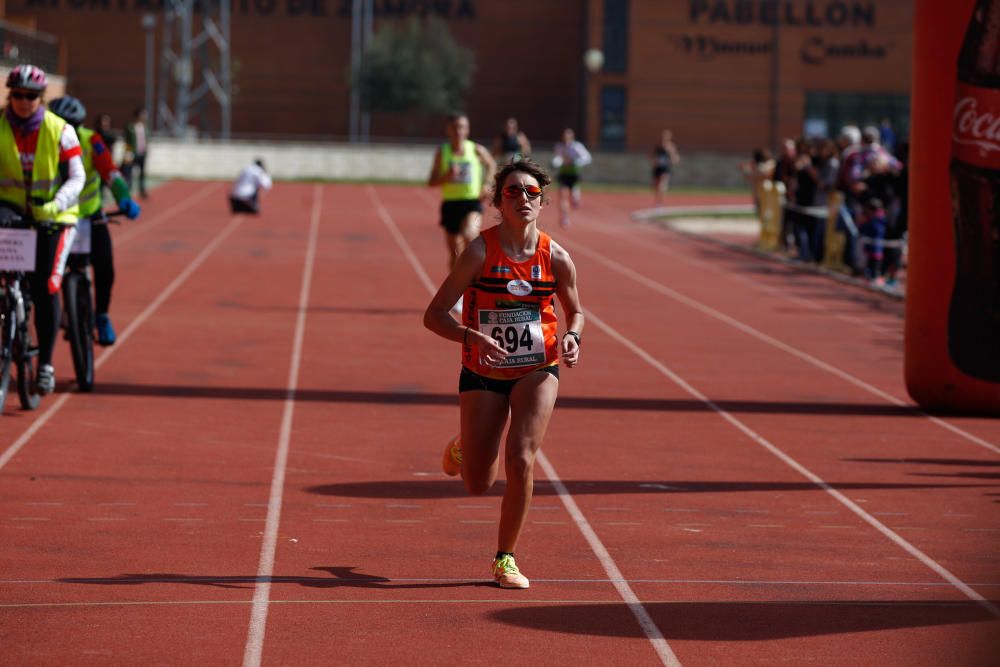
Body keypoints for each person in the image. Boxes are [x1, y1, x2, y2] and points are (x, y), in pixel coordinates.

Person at [424, 158, 584, 590]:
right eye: (513, 191)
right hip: (483, 369)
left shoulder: (558, 258)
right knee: (478, 482)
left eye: (532, 192)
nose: (523, 199)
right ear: (498, 200)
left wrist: (573, 338)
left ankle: (505, 558)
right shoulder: (478, 252)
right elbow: (433, 315)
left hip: (538, 366)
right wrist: (470, 337)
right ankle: (464, 446)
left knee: (522, 457)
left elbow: (577, 313)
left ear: (543, 201)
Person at [0, 65, 84, 394]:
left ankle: (45, 363)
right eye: (17, 95)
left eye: (31, 96)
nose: (23, 101)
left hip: (53, 214)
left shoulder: (60, 130)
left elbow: (77, 177)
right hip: (9, 210)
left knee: (47, 287)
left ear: (41, 98)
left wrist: (57, 204)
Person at [48, 96, 142, 347]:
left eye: (72, 125)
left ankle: (101, 315)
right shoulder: (43, 140)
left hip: (89, 215)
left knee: (105, 264)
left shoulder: (92, 141)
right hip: (55, 217)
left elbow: (111, 172)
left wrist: (124, 198)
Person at [427, 112, 496, 271]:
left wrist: (486, 184)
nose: (459, 131)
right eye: (455, 127)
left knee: (469, 235)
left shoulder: (476, 150)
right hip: (450, 204)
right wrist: (447, 176)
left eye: (463, 127)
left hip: (472, 202)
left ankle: (476, 279)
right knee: (455, 253)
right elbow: (431, 182)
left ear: (467, 130)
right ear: (448, 130)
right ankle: (457, 292)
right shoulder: (442, 152)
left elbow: (491, 165)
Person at [551, 128, 591, 228]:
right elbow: (558, 157)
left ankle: (575, 197)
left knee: (573, 197)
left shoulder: (577, 147)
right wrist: (555, 163)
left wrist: (575, 162)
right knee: (562, 196)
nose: (566, 138)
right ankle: (564, 218)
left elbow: (587, 157)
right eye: (564, 136)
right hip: (564, 174)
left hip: (574, 174)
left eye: (568, 136)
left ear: (572, 137)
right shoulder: (559, 146)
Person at [123, 106, 149, 198]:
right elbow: (127, 141)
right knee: (129, 172)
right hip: (132, 153)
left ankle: (142, 190)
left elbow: (146, 139)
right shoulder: (130, 126)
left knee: (142, 173)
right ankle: (128, 189)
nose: (144, 117)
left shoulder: (144, 127)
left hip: (142, 153)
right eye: (142, 115)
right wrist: (127, 153)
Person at [650, 129, 680, 205]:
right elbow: (652, 156)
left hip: (666, 168)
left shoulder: (671, 146)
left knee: (662, 185)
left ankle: (661, 202)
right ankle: (657, 200)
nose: (664, 137)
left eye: (667, 136)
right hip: (657, 167)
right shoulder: (658, 145)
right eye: (663, 135)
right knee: (656, 186)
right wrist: (654, 161)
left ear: (669, 137)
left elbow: (675, 158)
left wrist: (672, 156)